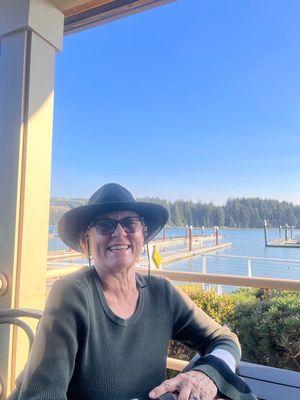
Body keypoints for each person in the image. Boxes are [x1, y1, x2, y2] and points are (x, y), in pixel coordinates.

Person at [9, 183, 257, 400]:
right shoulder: (71, 294)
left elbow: (224, 339)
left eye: (130, 223)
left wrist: (207, 375)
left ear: (143, 234)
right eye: (104, 225)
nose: (119, 232)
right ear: (86, 241)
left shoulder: (163, 294)